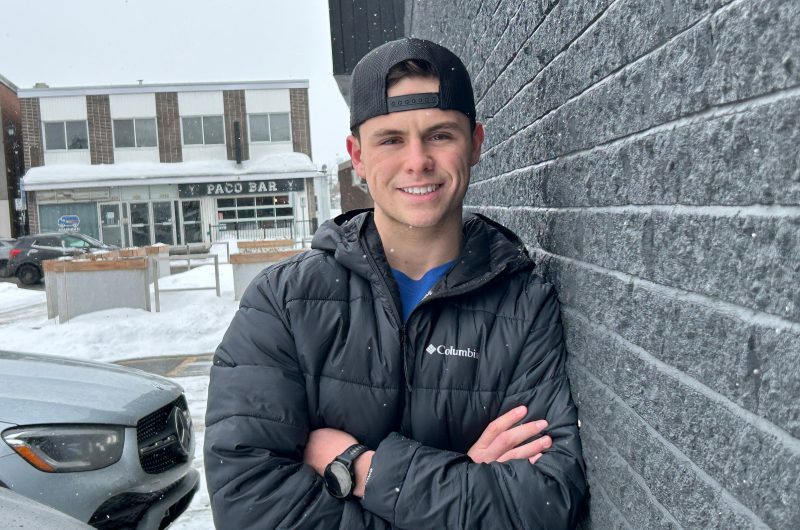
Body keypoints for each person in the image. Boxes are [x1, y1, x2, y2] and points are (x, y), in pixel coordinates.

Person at [204, 37, 587, 529]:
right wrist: (461, 483)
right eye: (390, 140)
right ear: (358, 156)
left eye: (440, 135)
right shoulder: (284, 302)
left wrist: (362, 470)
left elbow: (544, 503)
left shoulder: (523, 305)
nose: (417, 161)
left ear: (475, 144)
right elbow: (251, 509)